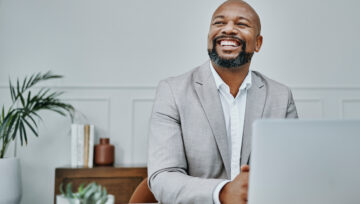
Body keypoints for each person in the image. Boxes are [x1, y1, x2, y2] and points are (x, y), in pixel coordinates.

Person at [147, 0, 298, 203]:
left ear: (258, 43)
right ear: (209, 37)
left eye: (241, 24)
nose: (228, 29)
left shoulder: (281, 96)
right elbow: (162, 177)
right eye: (219, 23)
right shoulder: (172, 91)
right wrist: (222, 192)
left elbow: (291, 171)